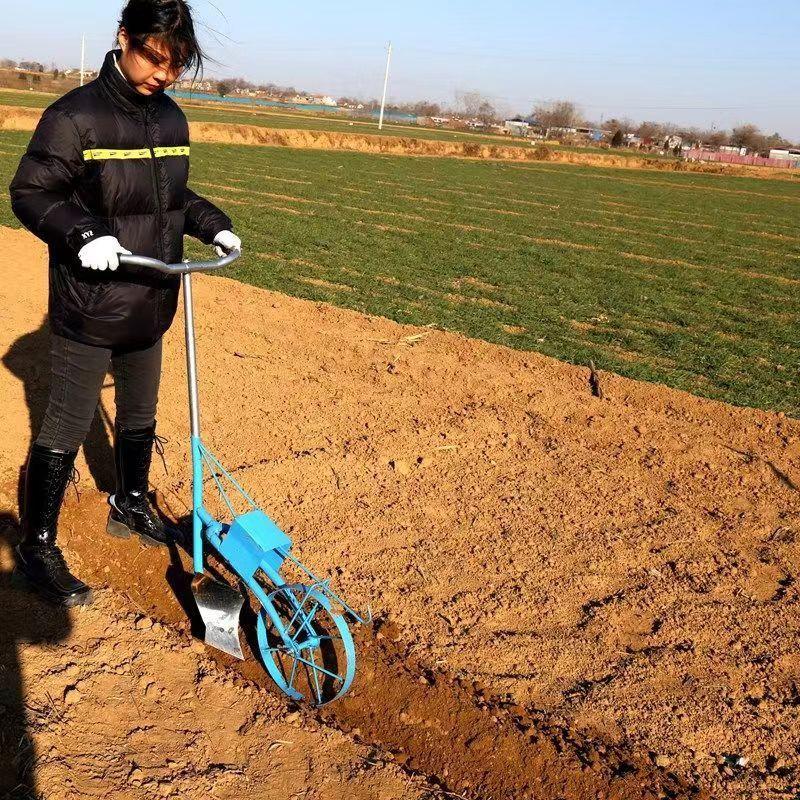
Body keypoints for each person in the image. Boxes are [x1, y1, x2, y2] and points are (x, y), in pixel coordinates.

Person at [8, 0, 241, 607]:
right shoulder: (74, 116)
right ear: (124, 38)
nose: (163, 74)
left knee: (140, 412)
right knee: (65, 421)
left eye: (176, 64)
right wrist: (83, 234)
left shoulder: (171, 120)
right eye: (154, 57)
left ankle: (130, 503)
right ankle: (37, 542)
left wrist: (213, 224)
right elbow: (31, 191)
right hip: (90, 304)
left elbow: (175, 198)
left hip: (152, 298)